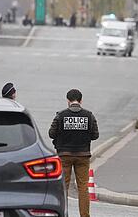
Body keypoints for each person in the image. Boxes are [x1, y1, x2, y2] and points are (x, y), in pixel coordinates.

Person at [48, 89, 99, 217]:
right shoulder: (89, 115)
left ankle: (63, 214)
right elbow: (95, 135)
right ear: (81, 101)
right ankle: (84, 215)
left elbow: (51, 134)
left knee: (63, 187)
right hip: (83, 156)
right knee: (83, 187)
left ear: (68, 101)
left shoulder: (61, 115)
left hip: (64, 155)